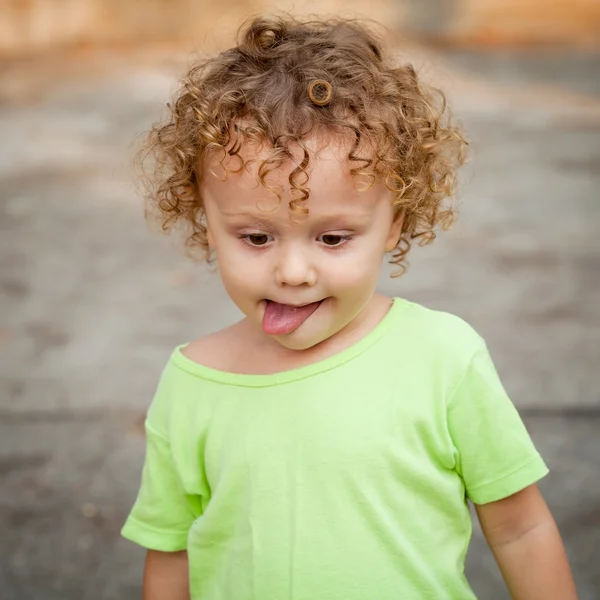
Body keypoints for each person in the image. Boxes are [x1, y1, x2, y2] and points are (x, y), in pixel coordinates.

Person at [121, 15, 577, 600]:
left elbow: (520, 528)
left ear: (396, 223)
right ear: (205, 222)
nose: (291, 272)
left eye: (332, 238)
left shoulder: (442, 358)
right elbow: (171, 553)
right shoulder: (192, 383)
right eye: (255, 237)